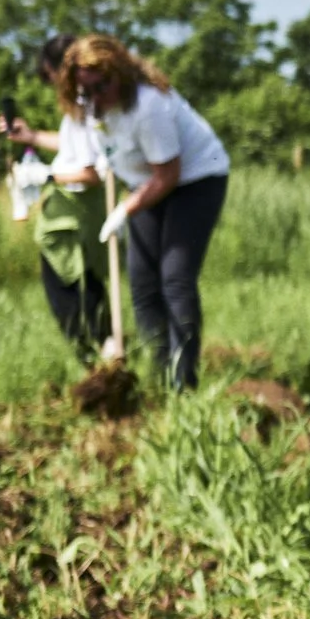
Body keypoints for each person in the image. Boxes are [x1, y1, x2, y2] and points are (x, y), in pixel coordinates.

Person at [55, 35, 230, 390]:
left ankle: (184, 385)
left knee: (175, 279)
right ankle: (161, 376)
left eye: (102, 85)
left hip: (196, 179)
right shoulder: (90, 108)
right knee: (143, 284)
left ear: (119, 72)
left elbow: (169, 175)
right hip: (147, 184)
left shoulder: (148, 105)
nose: (96, 97)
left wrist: (125, 210)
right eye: (86, 91)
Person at [0, 33, 112, 355]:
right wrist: (31, 135)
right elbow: (74, 148)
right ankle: (103, 348)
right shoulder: (83, 107)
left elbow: (92, 172)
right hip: (78, 207)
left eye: (52, 78)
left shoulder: (86, 107)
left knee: (66, 283)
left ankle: (94, 357)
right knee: (84, 280)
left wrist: (46, 174)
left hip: (77, 210)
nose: (53, 87)